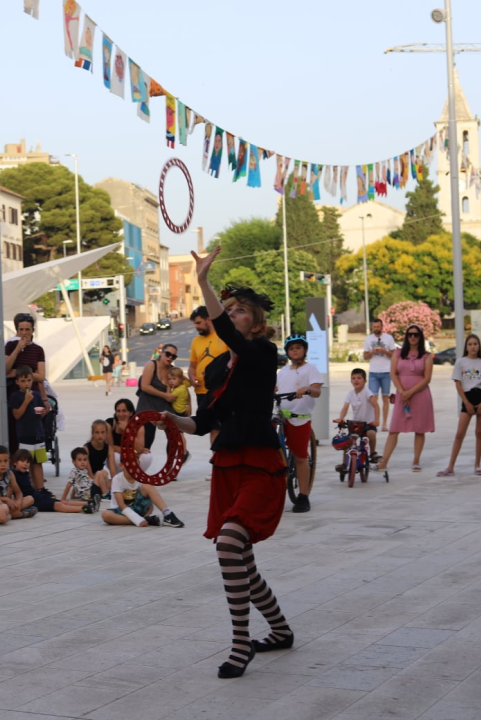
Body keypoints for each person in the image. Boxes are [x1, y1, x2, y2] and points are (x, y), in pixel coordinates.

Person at [160, 249, 294, 680]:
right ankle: (280, 630)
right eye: (229, 309)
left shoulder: (262, 352)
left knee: (229, 545)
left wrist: (203, 282)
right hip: (229, 466)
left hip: (258, 464)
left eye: (239, 311)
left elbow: (224, 332)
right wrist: (169, 419)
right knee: (242, 560)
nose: (231, 315)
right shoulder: (226, 369)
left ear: (254, 323)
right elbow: (204, 421)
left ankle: (241, 643)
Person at [376, 325, 435, 474]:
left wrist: (411, 392)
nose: (413, 337)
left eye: (416, 335)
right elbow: (393, 374)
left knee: (420, 429)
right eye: (410, 335)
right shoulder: (398, 353)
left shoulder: (426, 356)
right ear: (406, 337)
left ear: (420, 337)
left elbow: (427, 378)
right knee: (394, 429)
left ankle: (416, 460)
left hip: (420, 394)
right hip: (402, 395)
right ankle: (384, 461)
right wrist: (403, 392)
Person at [275, 336, 323, 513]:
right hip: (282, 416)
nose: (295, 351)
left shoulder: (310, 369)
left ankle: (303, 496)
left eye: (298, 348)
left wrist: (308, 389)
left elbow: (317, 391)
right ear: (287, 352)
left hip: (300, 417)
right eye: (291, 348)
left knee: (301, 456)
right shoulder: (283, 372)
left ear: (305, 350)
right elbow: (275, 389)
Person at [438, 335, 481, 477]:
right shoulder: (461, 362)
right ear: (466, 347)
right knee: (459, 434)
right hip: (468, 397)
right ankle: (450, 467)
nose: (473, 346)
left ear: (479, 346)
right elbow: (458, 384)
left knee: (479, 433)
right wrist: (466, 402)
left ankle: (477, 465)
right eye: (470, 344)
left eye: (475, 344)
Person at [100, 452, 183, 527]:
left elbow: (150, 500)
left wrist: (146, 513)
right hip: (121, 511)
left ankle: (167, 514)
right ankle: (143, 520)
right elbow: (121, 505)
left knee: (147, 486)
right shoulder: (117, 479)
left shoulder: (142, 477)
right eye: (129, 463)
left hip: (139, 508)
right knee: (105, 515)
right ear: (122, 465)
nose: (133, 466)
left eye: (135, 463)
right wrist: (137, 520)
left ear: (139, 464)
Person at [189, 306, 229, 459]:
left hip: (220, 392)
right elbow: (192, 366)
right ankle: (216, 463)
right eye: (195, 324)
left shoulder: (223, 337)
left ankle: (220, 463)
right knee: (211, 427)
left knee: (219, 428)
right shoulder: (196, 341)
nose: (196, 327)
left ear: (209, 320)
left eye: (198, 323)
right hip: (202, 393)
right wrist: (192, 377)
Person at [4, 313, 47, 453]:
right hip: (14, 394)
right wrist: (17, 349)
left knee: (31, 427)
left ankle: (32, 463)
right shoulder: (10, 345)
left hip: (32, 393)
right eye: (21, 329)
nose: (24, 333)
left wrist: (22, 373)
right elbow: (5, 369)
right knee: (13, 429)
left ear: (32, 330)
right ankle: (14, 465)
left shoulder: (38, 350)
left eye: (27, 329)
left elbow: (41, 376)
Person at [10, 448, 87, 514]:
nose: (25, 464)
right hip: (32, 501)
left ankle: (88, 503)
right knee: (58, 505)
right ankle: (83, 508)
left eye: (27, 462)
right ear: (15, 462)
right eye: (22, 461)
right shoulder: (13, 474)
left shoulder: (25, 474)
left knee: (62, 502)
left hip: (36, 496)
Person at [9, 366, 48, 491]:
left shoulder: (36, 395)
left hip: (38, 433)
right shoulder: (16, 396)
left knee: (38, 462)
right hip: (25, 435)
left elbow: (41, 411)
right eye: (23, 381)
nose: (26, 384)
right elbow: (17, 415)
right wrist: (26, 402)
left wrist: (42, 412)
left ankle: (40, 488)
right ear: (17, 382)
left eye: (29, 380)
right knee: (25, 463)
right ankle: (27, 488)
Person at [136, 343, 178, 449]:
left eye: (173, 356)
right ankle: (139, 463)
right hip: (147, 407)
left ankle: (174, 461)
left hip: (162, 409)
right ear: (161, 353)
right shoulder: (151, 365)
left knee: (175, 436)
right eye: (168, 354)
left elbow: (181, 385)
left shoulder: (172, 370)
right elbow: (144, 386)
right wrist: (164, 395)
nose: (170, 357)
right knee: (146, 443)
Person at [363, 318, 397, 432]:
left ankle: (384, 423)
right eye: (374, 327)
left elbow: (394, 354)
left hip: (386, 372)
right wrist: (372, 352)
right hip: (373, 372)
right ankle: (374, 420)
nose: (376, 329)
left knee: (385, 398)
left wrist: (385, 352)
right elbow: (365, 356)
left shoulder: (389, 338)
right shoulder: (368, 339)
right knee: (373, 398)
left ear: (382, 327)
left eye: (378, 327)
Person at [336, 368, 379, 457]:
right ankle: (344, 463)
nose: (356, 380)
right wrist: (341, 418)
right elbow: (345, 408)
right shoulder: (350, 394)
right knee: (348, 441)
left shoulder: (367, 392)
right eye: (353, 378)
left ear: (365, 381)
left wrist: (376, 420)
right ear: (351, 381)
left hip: (368, 424)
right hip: (356, 424)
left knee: (371, 434)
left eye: (359, 378)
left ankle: (372, 452)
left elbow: (376, 406)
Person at [0, 445, 36, 519]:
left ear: (9, 461)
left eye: (5, 461)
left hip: (8, 504)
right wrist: (6, 499)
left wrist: (18, 502)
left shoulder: (9, 474)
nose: (3, 464)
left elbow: (18, 493)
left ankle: (10, 513)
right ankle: (15, 514)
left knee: (30, 499)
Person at [63, 447, 102, 514]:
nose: (82, 462)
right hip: (87, 491)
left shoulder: (84, 471)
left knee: (101, 476)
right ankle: (102, 495)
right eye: (79, 460)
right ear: (74, 462)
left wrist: (73, 496)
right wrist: (63, 498)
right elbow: (70, 484)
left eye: (85, 460)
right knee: (99, 474)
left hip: (89, 489)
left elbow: (76, 483)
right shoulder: (74, 471)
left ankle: (97, 498)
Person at [107, 398, 146, 464]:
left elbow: (140, 449)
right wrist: (128, 451)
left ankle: (135, 474)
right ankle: (118, 474)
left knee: (147, 456)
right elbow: (109, 447)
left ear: (130, 413)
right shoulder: (109, 424)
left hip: (131, 455)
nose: (121, 414)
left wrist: (127, 430)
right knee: (116, 456)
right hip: (118, 456)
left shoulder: (138, 426)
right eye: (118, 411)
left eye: (124, 411)